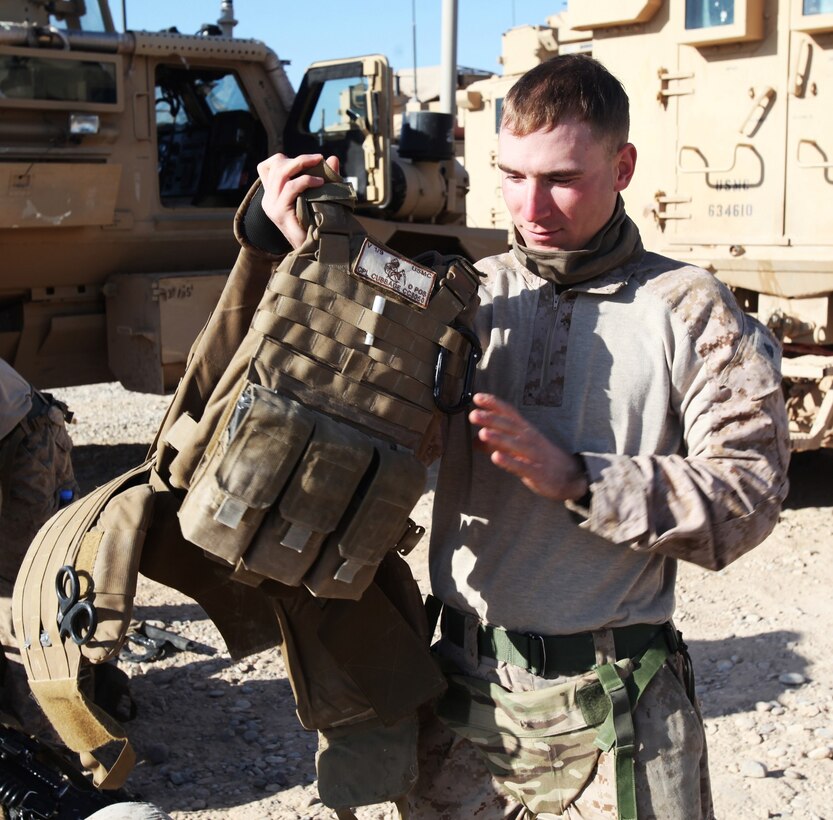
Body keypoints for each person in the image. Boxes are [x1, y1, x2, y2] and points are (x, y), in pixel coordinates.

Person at [257, 54, 790, 819]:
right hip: (464, 698)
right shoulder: (463, 294)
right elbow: (363, 295)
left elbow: (748, 496)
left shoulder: (690, 308)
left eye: (561, 179)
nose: (531, 206)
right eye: (512, 176)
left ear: (623, 165)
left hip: (616, 706)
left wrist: (580, 478)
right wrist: (307, 239)